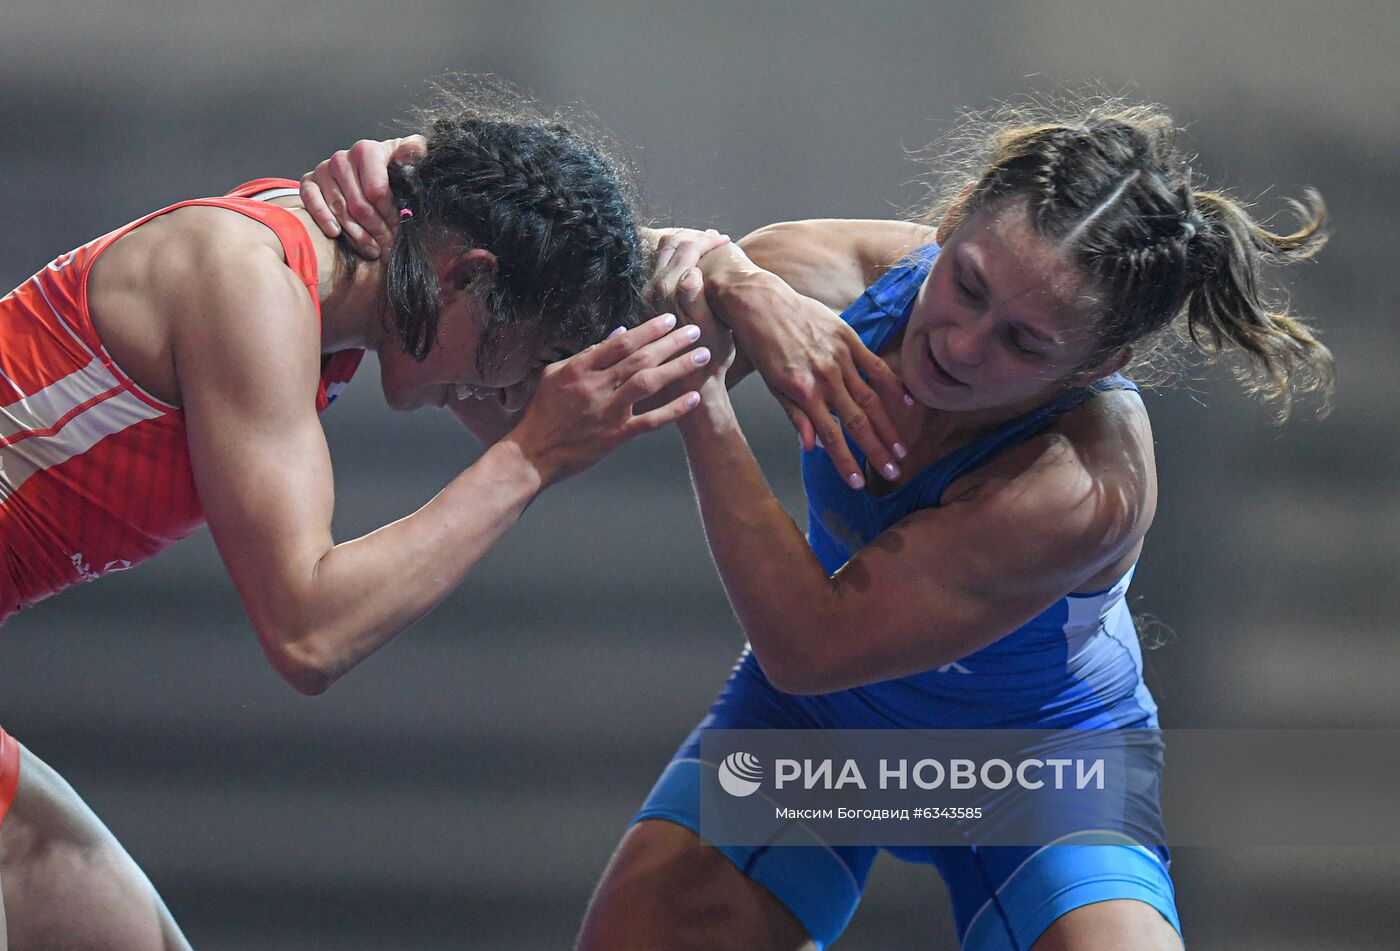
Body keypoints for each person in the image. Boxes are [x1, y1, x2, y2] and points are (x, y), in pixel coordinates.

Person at [307, 97, 1332, 950]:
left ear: (1093, 367)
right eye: (963, 283)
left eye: (1021, 340)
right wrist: (415, 187)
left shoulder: (1078, 484)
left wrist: (705, 397)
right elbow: (518, 381)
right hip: (830, 746)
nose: (961, 345)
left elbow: (806, 644)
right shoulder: (824, 271)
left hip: (1031, 772)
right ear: (956, 217)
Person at [0, 83, 724, 950]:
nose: (499, 396)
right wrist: (532, 456)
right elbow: (310, 633)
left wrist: (725, 268)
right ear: (470, 274)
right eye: (512, 361)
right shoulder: (251, 284)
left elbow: (515, 204)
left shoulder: (365, 258)